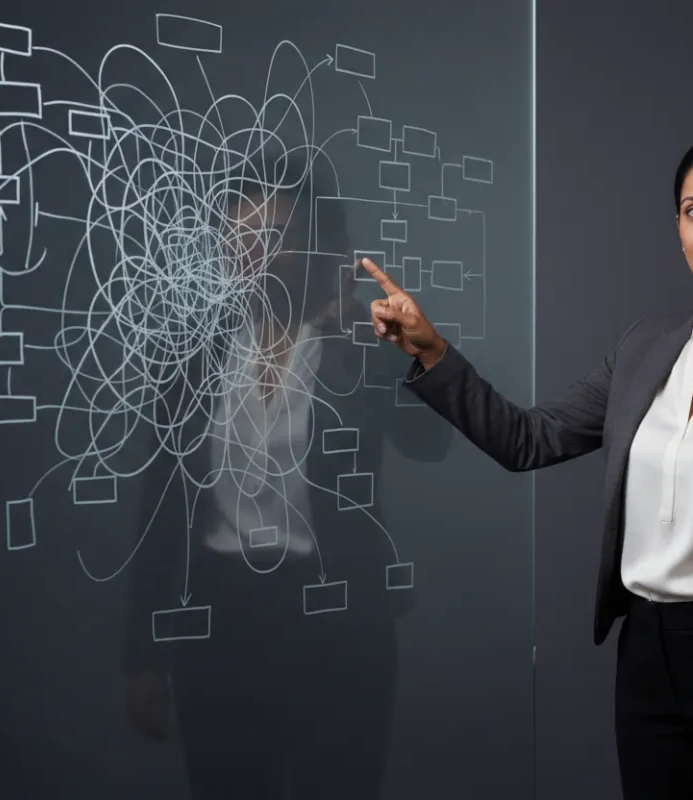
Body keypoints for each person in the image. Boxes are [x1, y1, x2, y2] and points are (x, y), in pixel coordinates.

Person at [360, 131, 693, 800]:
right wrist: (432, 351)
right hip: (647, 660)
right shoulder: (646, 347)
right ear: (678, 228)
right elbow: (527, 440)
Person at [121, 150, 452, 799]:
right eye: (238, 233)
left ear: (315, 245)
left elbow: (429, 442)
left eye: (276, 235)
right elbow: (162, 504)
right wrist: (144, 655)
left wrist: (382, 347)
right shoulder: (193, 351)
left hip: (339, 625)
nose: (255, 252)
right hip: (219, 622)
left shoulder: (353, 344)